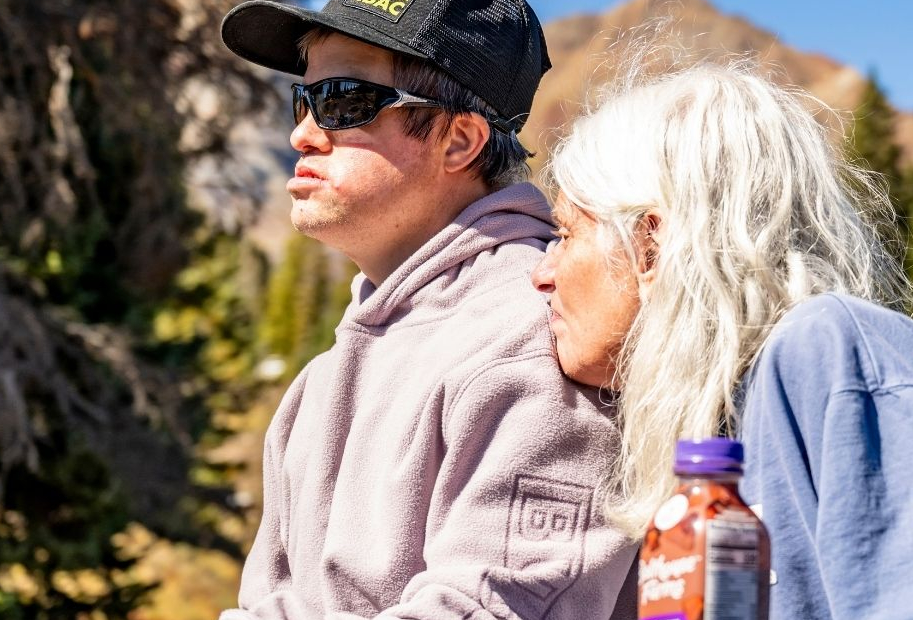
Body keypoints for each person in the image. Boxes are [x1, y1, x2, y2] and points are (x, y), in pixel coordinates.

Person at [530, 61, 913, 618]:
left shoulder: (826, 357)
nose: (543, 271)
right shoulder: (713, 427)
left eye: (565, 233)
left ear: (650, 247)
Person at [216, 1, 636, 617]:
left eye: (343, 100)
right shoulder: (321, 380)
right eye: (302, 100)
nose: (302, 133)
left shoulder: (541, 333)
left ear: (459, 140)